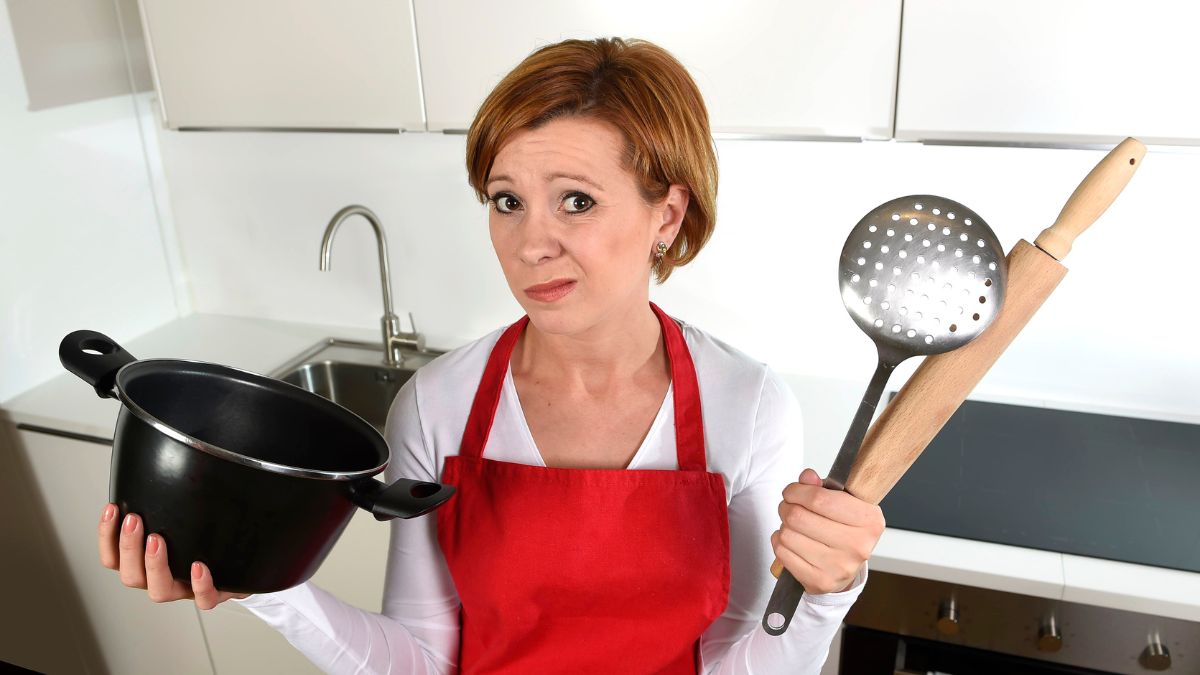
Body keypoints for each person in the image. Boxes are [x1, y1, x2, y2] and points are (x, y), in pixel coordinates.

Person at [96, 37, 885, 674]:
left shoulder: (744, 404)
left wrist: (825, 595)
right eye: (507, 200)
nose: (530, 243)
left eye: (576, 199)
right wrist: (260, 580)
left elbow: (741, 661)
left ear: (666, 214)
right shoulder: (439, 404)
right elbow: (418, 657)